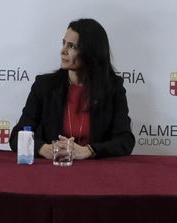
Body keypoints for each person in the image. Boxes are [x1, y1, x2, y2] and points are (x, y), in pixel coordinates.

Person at [10, 18, 134, 160]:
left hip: (96, 173)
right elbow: (16, 136)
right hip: (51, 171)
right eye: (63, 44)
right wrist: (43, 148)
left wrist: (89, 151)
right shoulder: (44, 86)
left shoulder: (113, 88)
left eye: (72, 47)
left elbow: (125, 141)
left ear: (90, 52)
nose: (63, 51)